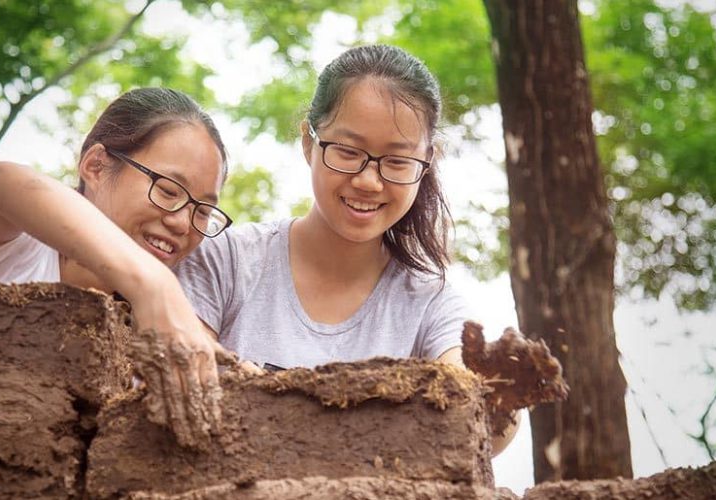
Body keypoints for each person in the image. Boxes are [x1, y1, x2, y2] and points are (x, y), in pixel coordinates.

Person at [175, 45, 519, 455]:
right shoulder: (225, 261)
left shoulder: (430, 303)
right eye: (349, 152)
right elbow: (182, 380)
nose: (369, 181)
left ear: (428, 162)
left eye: (396, 161)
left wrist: (498, 396)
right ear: (309, 142)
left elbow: (481, 418)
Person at [0, 87, 233, 447]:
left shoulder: (135, 341)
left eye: (203, 212)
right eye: (168, 191)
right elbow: (2, 180)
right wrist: (155, 286)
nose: (183, 223)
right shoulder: (17, 245)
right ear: (96, 166)